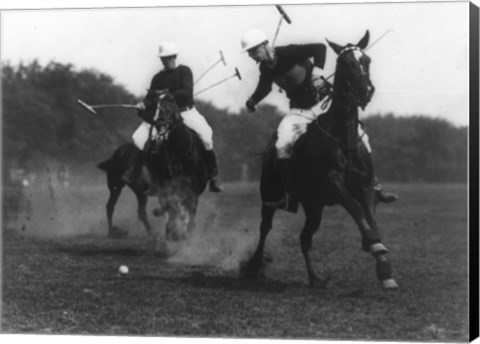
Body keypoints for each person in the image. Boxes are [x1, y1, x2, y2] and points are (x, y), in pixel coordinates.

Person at [241, 29, 398, 210]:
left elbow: (319, 49)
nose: (252, 56)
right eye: (250, 53)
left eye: (254, 51)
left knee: (362, 138)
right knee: (281, 145)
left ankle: (376, 187)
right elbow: (264, 87)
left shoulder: (288, 52)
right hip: (299, 111)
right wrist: (253, 101)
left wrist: (316, 74)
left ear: (265, 45)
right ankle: (289, 195)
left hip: (323, 102)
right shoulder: (265, 68)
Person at [123, 41, 223, 193]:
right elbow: (150, 97)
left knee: (207, 136)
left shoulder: (184, 71)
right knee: (138, 138)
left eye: (170, 58)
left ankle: (214, 177)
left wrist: (167, 93)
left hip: (186, 112)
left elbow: (187, 92)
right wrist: (143, 103)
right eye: (164, 58)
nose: (167, 61)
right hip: (163, 115)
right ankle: (141, 176)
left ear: (175, 57)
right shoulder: (157, 78)